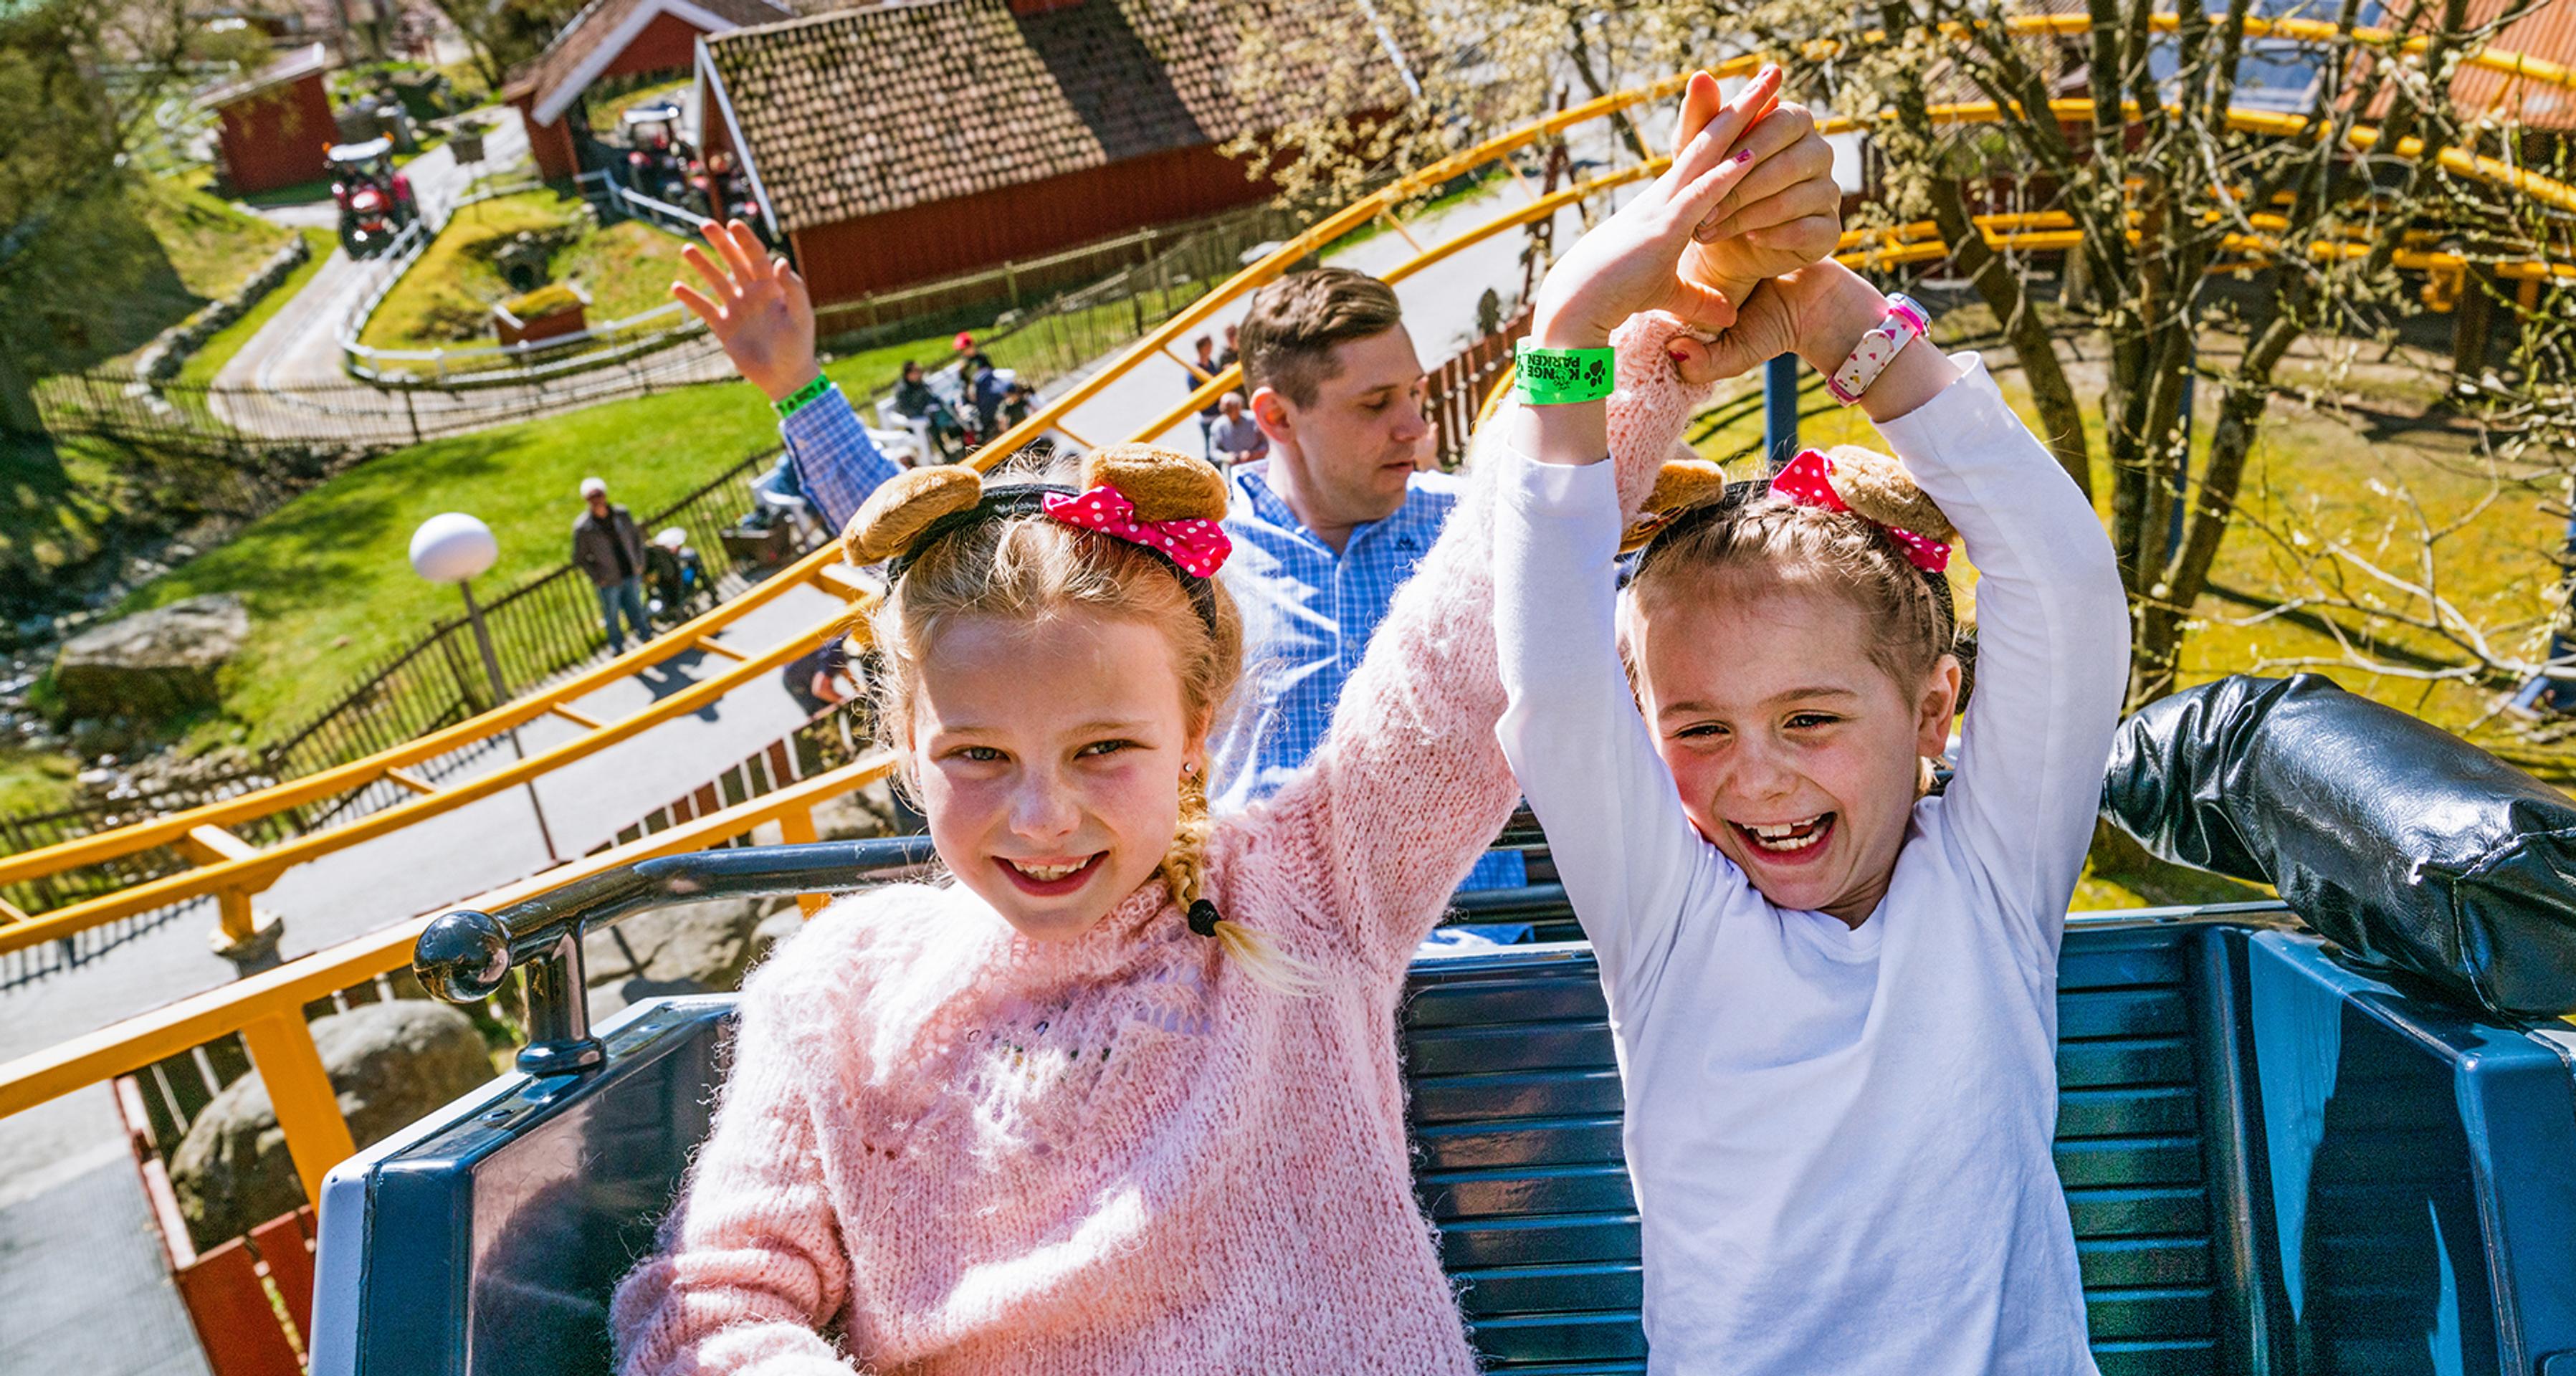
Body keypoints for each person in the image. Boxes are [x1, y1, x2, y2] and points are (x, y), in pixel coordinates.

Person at [621, 79, 1805, 1370]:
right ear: (907, 746)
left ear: (1195, 738)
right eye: (976, 756)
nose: (1042, 813)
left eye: (1103, 750)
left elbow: (1485, 614)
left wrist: (1606, 333)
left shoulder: (1307, 891)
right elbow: (709, 1314)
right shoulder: (838, 995)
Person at [1489, 69, 2122, 1374]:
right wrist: (1570, 331)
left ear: (1935, 708)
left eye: (1812, 718)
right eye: (1700, 728)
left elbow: (2061, 580)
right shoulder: (1669, 915)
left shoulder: (1990, 883)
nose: (1757, 778)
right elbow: (1550, 678)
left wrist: (1829, 308)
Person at [573, 477, 654, 653]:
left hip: (630, 570)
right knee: (611, 614)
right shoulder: (583, 528)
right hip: (608, 579)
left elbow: (635, 538)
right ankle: (617, 646)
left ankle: (646, 636)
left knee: (636, 606)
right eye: (592, 497)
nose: (597, 501)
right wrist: (597, 577)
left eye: (599, 495)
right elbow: (579, 558)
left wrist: (639, 562)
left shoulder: (621, 514)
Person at [778, 634, 860, 716]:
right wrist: (847, 702)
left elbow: (842, 667)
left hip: (805, 670)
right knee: (823, 712)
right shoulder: (835, 653)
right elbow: (819, 689)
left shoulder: (841, 643)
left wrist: (858, 689)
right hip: (795, 680)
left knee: (833, 704)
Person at [1206, 390, 1265, 467]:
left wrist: (1254, 454)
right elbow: (1213, 451)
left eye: (1230, 410)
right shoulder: (1218, 427)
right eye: (1224, 410)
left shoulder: (1253, 419)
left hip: (1258, 465)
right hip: (1235, 469)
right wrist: (1226, 457)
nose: (1227, 413)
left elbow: (1267, 443)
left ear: (1239, 407)